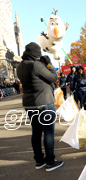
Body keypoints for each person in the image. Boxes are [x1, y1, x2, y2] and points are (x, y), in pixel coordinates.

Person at [16, 42, 64, 171]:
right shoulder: (36, 65)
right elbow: (54, 78)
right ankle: (50, 161)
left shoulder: (20, 66)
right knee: (48, 132)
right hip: (43, 103)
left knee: (36, 132)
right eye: (38, 55)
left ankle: (39, 160)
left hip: (29, 104)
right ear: (35, 54)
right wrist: (48, 64)